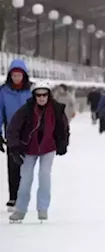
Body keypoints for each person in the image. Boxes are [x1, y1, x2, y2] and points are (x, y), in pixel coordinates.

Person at [6, 83, 69, 222]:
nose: (41, 98)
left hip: (48, 147)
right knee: (26, 179)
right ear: (34, 96)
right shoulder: (26, 109)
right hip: (29, 149)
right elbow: (13, 128)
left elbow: (63, 126)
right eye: (38, 95)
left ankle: (43, 208)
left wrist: (63, 143)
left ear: (49, 95)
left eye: (44, 94)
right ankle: (20, 209)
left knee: (44, 175)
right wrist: (14, 148)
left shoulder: (57, 109)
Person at [0, 59, 34, 212]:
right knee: (13, 165)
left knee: (26, 166)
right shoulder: (3, 91)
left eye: (19, 75)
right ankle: (13, 197)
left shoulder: (31, 91)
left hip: (28, 132)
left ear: (24, 76)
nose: (17, 78)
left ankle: (23, 197)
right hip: (11, 132)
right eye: (14, 75)